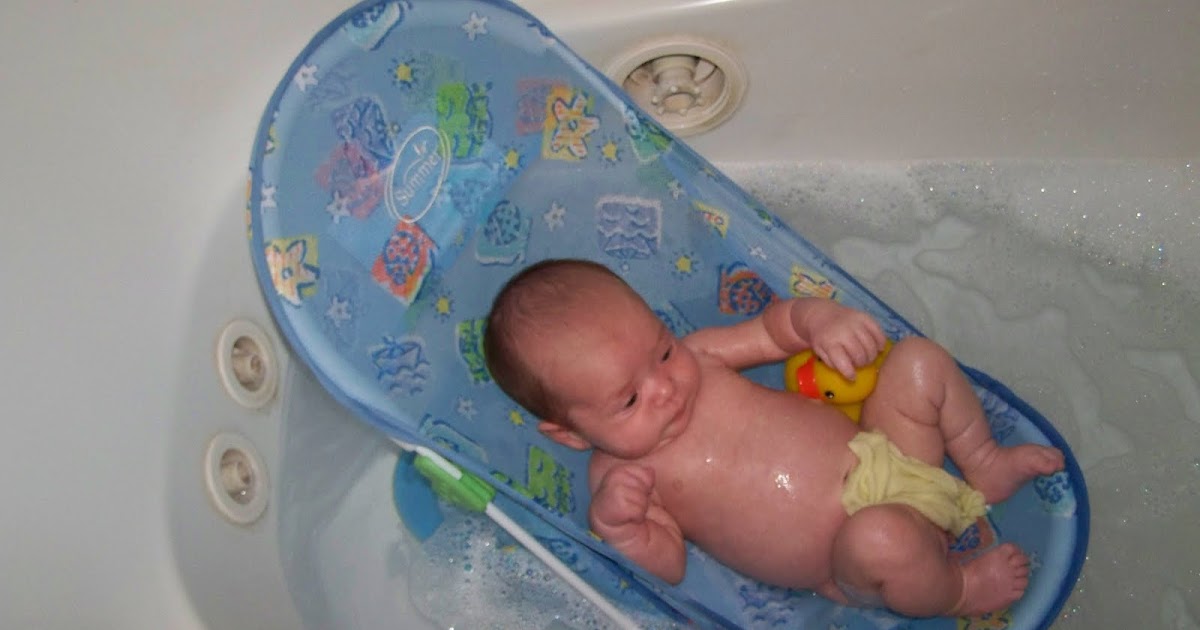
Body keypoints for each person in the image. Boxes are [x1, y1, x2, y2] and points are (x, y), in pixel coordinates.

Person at [483, 258, 1064, 618]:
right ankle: (957, 590)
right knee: (882, 537)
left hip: (884, 450)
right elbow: (670, 566)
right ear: (570, 433)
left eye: (661, 351)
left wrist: (820, 322)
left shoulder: (701, 356)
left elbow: (772, 330)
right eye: (629, 400)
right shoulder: (621, 480)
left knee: (918, 361)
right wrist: (622, 529)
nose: (664, 386)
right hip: (852, 556)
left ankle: (982, 462)